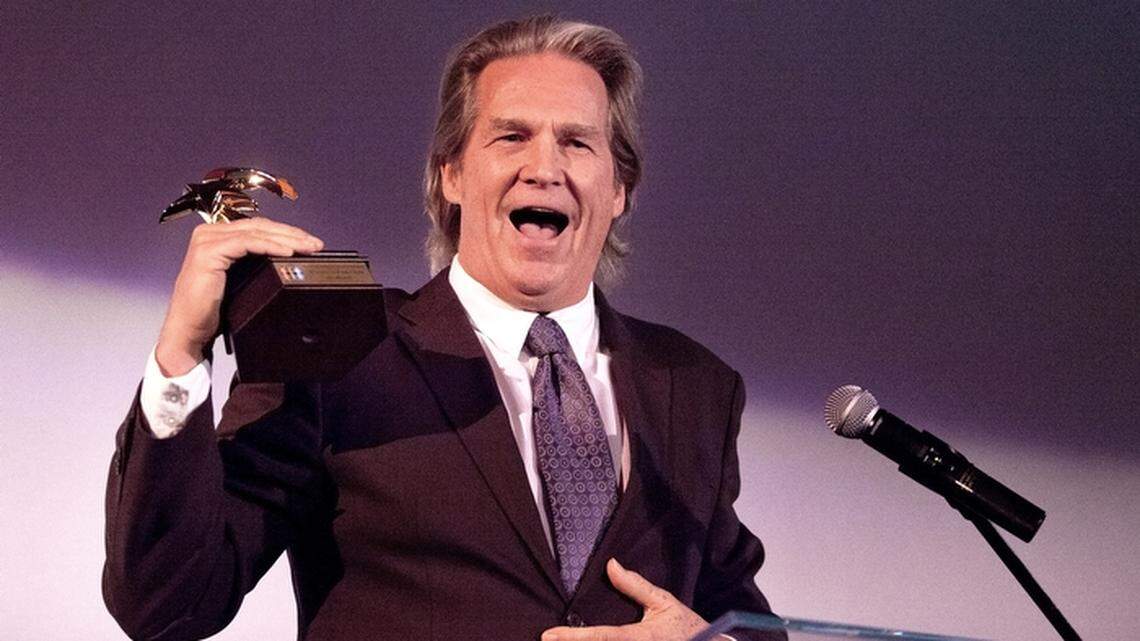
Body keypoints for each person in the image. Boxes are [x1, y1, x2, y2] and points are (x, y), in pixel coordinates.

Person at [103, 15, 776, 641]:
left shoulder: (695, 386)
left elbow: (747, 620)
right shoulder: (344, 351)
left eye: (576, 142)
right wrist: (182, 353)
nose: (545, 168)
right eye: (511, 136)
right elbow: (166, 601)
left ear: (619, 187)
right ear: (450, 174)